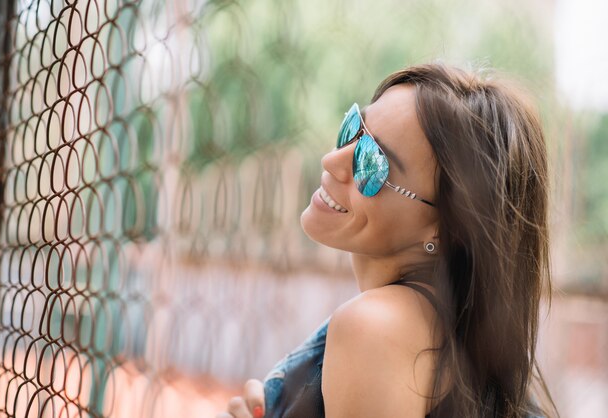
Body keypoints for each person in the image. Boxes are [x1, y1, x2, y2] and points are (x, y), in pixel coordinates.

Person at [216, 62, 557, 418]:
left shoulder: (375, 327)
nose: (332, 160)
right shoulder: (453, 335)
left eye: (372, 162)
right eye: (353, 129)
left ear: (445, 228)